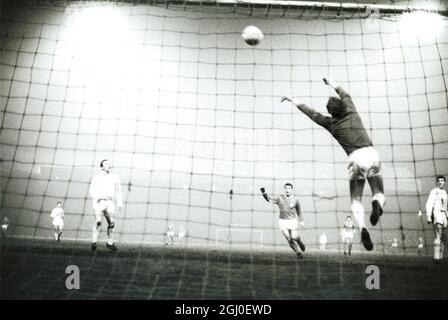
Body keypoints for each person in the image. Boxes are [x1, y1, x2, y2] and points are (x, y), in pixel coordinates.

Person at [281, 78, 385, 251]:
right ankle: (377, 203)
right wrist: (331, 83)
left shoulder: (331, 123)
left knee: (356, 201)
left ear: (330, 112)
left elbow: (310, 112)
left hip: (355, 159)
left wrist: (292, 98)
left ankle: (363, 227)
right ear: (343, 106)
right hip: (371, 153)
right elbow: (343, 91)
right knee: (379, 192)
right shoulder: (352, 111)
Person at [260, 183, 306, 259]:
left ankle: (299, 242)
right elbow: (269, 199)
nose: (287, 190)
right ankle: (298, 253)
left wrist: (301, 222)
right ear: (284, 189)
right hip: (282, 221)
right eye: (286, 188)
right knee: (289, 239)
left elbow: (299, 211)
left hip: (292, 221)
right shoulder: (279, 197)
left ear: (292, 189)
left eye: (289, 188)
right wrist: (263, 193)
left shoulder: (295, 199)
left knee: (294, 237)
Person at [89, 159, 123, 251]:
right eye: (106, 164)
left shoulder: (115, 177)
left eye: (109, 163)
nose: (109, 165)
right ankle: (94, 242)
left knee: (111, 224)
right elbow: (91, 190)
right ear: (102, 167)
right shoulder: (97, 177)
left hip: (110, 202)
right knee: (98, 221)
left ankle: (110, 243)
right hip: (98, 202)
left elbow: (118, 191)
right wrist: (98, 199)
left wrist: (120, 202)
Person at [426, 175, 447, 263]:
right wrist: (428, 215)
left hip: (444, 215)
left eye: (442, 180)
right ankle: (436, 257)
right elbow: (429, 203)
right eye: (439, 180)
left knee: (443, 237)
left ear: (444, 182)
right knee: (438, 234)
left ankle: (440, 257)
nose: (440, 182)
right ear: (437, 182)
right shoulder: (434, 191)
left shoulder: (445, 193)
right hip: (437, 213)